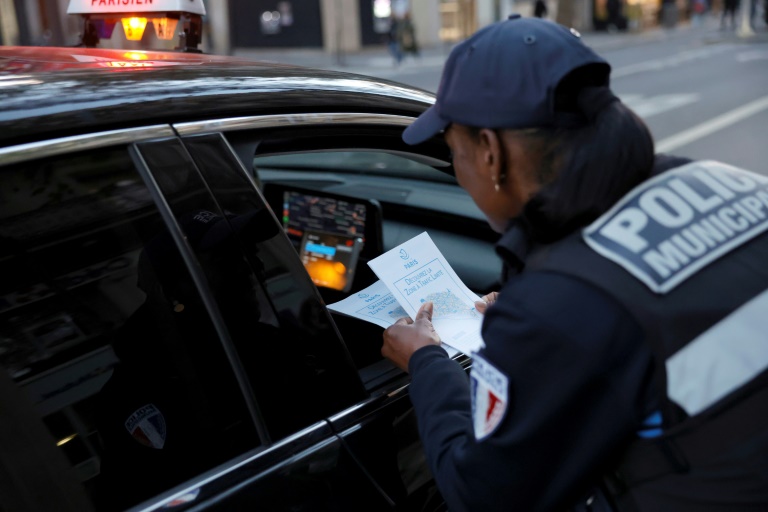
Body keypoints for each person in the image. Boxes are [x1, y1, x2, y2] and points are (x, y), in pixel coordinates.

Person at [383, 15, 768, 512]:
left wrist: (426, 361)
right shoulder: (721, 180)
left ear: (490, 153)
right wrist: (533, 308)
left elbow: (484, 495)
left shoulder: (563, 304)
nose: (457, 171)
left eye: (453, 151)